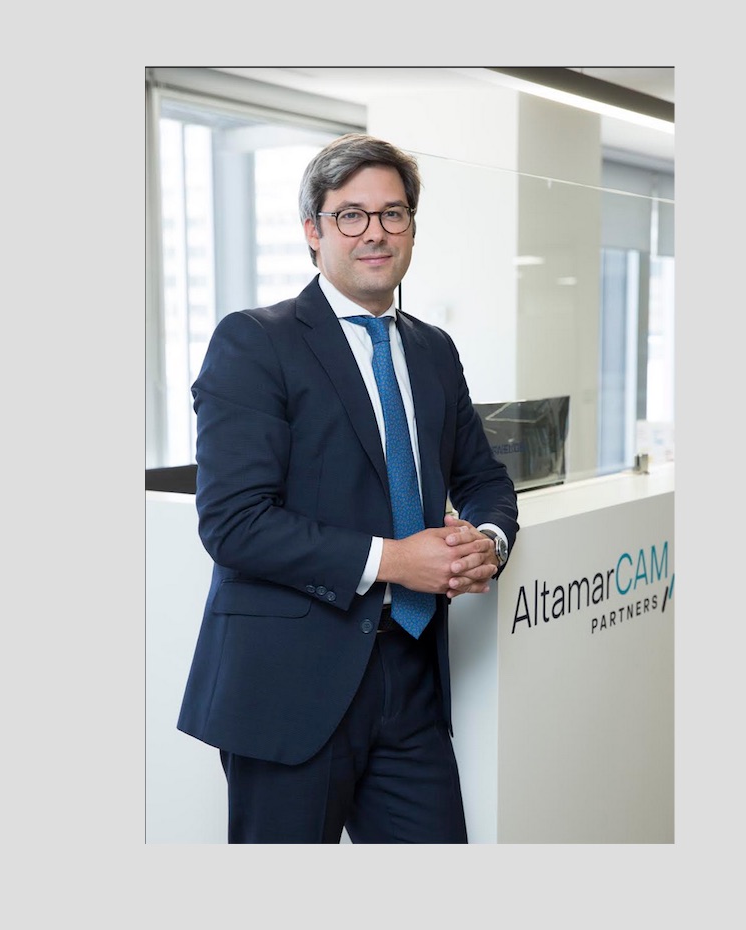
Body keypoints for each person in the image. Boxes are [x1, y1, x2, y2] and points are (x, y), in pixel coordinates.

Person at [177, 133, 519, 843]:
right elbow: (235, 523)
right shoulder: (255, 342)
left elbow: (483, 477)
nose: (375, 232)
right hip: (291, 686)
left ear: (411, 229)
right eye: (351, 215)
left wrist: (486, 542)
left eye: (393, 213)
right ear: (314, 229)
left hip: (413, 674)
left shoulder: (432, 349)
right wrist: (397, 561)